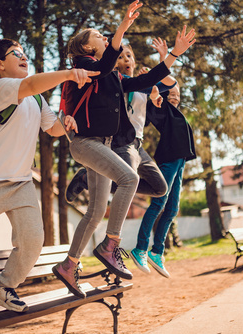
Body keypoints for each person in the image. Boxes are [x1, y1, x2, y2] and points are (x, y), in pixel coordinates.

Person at [0, 38, 97, 322]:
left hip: (21, 184)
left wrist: (65, 121)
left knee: (32, 241)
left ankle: (5, 288)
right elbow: (29, 85)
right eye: (16, 54)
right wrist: (67, 73)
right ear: (0, 65)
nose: (24, 57)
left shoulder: (37, 99)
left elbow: (50, 128)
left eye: (25, 53)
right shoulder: (1, 89)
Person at [52, 0, 196, 299]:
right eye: (98, 36)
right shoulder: (84, 67)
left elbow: (145, 80)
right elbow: (101, 68)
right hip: (85, 144)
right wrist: (122, 26)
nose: (105, 38)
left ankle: (69, 264)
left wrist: (173, 55)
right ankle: (111, 244)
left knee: (94, 212)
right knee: (129, 179)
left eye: (107, 36)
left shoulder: (112, 77)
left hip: (101, 146)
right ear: (87, 49)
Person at [65, 38, 179, 202]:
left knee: (160, 188)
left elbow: (169, 84)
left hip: (139, 144)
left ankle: (86, 178)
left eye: (129, 56)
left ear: (134, 60)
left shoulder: (142, 81)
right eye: (120, 57)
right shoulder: (117, 82)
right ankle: (86, 179)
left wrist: (162, 61)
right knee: (127, 183)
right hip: (123, 142)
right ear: (115, 63)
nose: (126, 59)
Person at [130, 83, 196, 278]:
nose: (175, 97)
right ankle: (140, 248)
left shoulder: (177, 114)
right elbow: (163, 84)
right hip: (169, 159)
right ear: (165, 97)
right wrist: (162, 59)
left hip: (180, 161)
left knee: (173, 209)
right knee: (159, 203)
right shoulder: (163, 110)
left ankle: (157, 251)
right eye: (171, 94)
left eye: (178, 95)